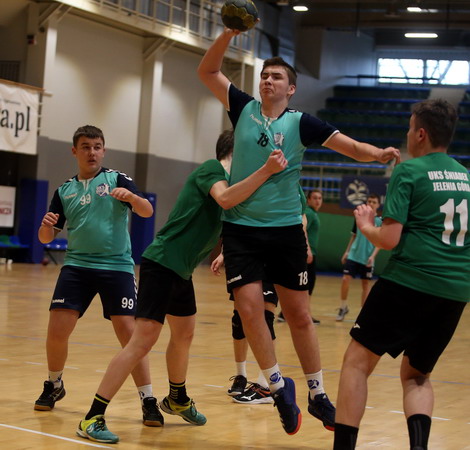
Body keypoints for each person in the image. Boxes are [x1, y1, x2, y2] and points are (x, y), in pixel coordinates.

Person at [197, 27, 400, 435]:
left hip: (286, 230)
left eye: (276, 77)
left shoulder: (301, 123)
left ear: (291, 89)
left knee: (299, 316)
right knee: (249, 311)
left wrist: (377, 153)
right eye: (264, 75)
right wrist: (228, 33)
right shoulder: (242, 108)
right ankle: (278, 388)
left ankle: (317, 393)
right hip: (241, 230)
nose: (267, 80)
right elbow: (208, 71)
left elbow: (350, 146)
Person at [76, 130, 287, 444]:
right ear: (239, 150)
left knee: (184, 333)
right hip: (162, 263)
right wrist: (266, 171)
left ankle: (177, 397)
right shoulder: (211, 171)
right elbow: (225, 199)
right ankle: (92, 416)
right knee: (141, 343)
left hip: (181, 271)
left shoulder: (231, 183)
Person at [333, 99, 470, 450]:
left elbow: (389, 239)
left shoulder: (409, 171)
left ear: (420, 134)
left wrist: (366, 225)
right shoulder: (466, 178)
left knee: (356, 363)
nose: (408, 135)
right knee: (417, 375)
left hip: (410, 280)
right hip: (455, 290)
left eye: (410, 128)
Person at [34, 125, 160, 426]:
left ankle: (148, 398)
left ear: (103, 150)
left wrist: (132, 198)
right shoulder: (64, 190)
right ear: (74, 151)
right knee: (57, 329)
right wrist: (46, 226)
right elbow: (45, 238)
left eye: (97, 147)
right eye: (86, 147)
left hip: (116, 267)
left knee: (129, 335)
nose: (92, 152)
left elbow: (146, 211)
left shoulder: (117, 179)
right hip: (76, 267)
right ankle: (54, 383)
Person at [211, 253, 277, 404]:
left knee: (266, 320)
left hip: (271, 258)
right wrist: (224, 254)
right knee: (239, 319)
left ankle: (265, 385)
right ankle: (241, 376)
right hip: (245, 258)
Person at [279, 189, 323, 324]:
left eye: (320, 198)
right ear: (308, 200)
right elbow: (302, 231)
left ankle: (285, 313)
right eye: (314, 198)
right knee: (306, 284)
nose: (317, 201)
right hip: (306, 253)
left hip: (309, 252)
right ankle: (304, 314)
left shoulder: (313, 213)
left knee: (305, 283)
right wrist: (307, 250)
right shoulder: (309, 213)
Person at [336, 193, 381, 321]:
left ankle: (362, 314)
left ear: (378, 205)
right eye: (369, 201)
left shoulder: (380, 221)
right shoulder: (359, 217)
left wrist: (373, 256)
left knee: (365, 285)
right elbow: (354, 235)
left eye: (374, 202)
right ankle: (343, 307)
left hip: (367, 258)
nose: (371, 203)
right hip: (354, 255)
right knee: (345, 279)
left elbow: (380, 242)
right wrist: (347, 252)